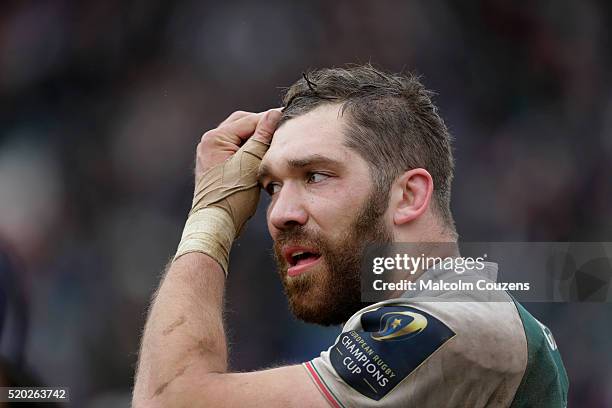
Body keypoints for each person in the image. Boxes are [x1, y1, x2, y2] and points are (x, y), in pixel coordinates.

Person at [132, 65, 568, 407]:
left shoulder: (451, 324)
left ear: (408, 196)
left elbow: (168, 400)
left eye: (316, 176)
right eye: (271, 188)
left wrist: (211, 216)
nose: (279, 214)